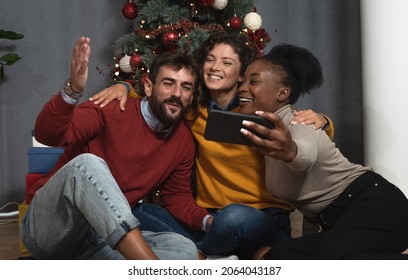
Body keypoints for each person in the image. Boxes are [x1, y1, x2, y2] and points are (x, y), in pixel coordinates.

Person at [90, 33, 334, 259]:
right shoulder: (194, 113)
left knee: (234, 217)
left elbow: (304, 130)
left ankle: (200, 256)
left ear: (242, 74)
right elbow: (154, 98)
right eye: (210, 59)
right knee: (137, 212)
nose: (215, 67)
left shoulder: (262, 110)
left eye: (227, 62)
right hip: (208, 220)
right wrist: (124, 86)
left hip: (259, 218)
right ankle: (215, 254)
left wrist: (324, 121)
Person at [19, 36, 202, 260]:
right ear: (148, 86)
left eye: (186, 87)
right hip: (51, 230)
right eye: (168, 83)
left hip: (99, 238)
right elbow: (48, 135)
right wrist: (72, 91)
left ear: (191, 96)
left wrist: (208, 221)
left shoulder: (182, 139)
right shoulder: (111, 108)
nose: (176, 94)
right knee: (89, 164)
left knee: (184, 249)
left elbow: (177, 197)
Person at [236, 43, 408, 259]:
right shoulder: (267, 133)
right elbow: (312, 204)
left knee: (327, 265)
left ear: (282, 93)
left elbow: (304, 155)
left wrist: (290, 151)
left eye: (254, 81)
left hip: (376, 207)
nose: (242, 87)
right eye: (242, 81)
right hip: (337, 221)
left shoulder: (300, 123)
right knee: (271, 256)